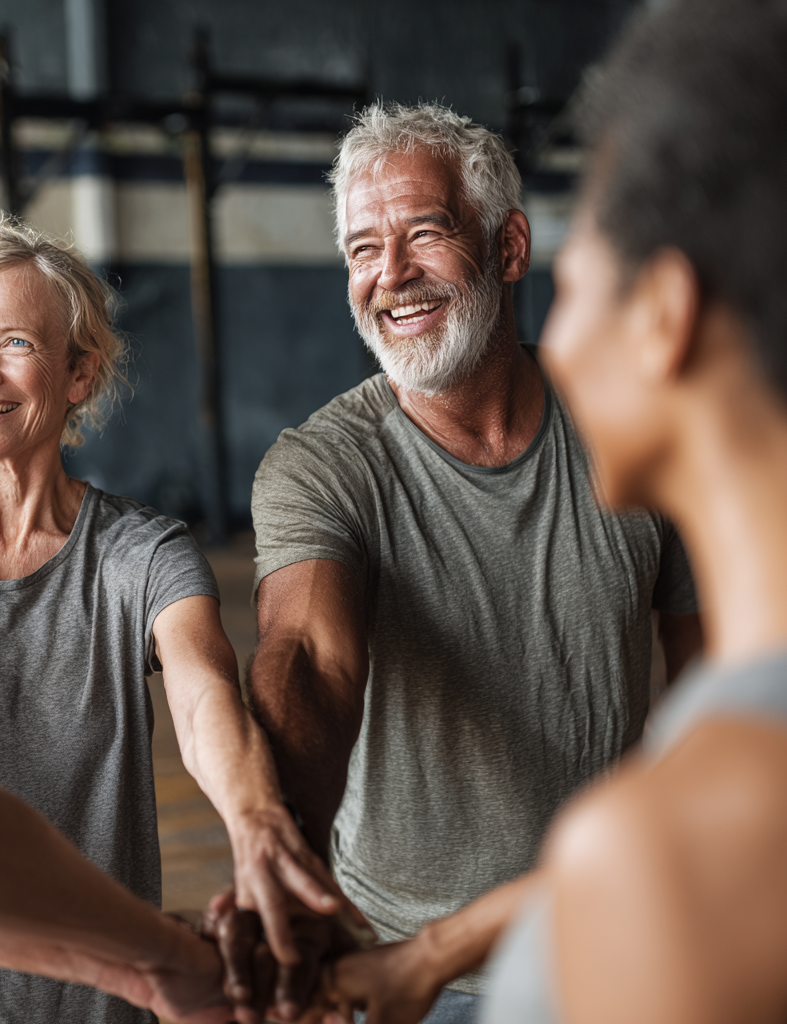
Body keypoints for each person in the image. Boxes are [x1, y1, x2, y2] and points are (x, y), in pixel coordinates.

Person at [329, 2, 787, 1022]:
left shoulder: (651, 862)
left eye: (575, 287)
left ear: (663, 318)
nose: (561, 344)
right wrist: (437, 946)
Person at [0, 214, 342, 1024]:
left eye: (15, 343)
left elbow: (202, 699)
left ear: (79, 373)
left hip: (104, 1003)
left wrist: (256, 822)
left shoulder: (144, 552)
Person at [245, 101, 703, 1023]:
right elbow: (310, 659)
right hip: (403, 967)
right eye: (363, 250)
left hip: (610, 939)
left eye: (424, 233)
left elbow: (713, 683)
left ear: (508, 245)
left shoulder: (630, 425)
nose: (391, 275)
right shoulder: (323, 464)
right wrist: (284, 855)